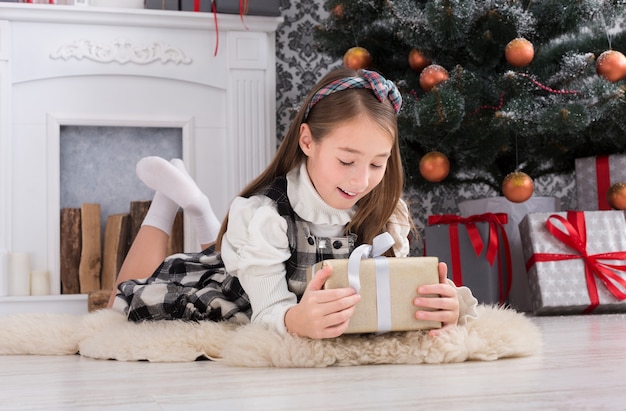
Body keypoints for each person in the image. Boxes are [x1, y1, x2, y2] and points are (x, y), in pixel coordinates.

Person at [109, 68, 478, 339]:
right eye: (346, 161)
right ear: (307, 141)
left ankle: (203, 213)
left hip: (252, 257)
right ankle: (175, 204)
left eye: (377, 163)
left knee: (227, 250)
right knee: (121, 301)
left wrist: (442, 305)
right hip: (237, 289)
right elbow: (269, 310)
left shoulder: (386, 211)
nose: (361, 180)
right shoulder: (265, 216)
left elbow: (388, 295)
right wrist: (293, 321)